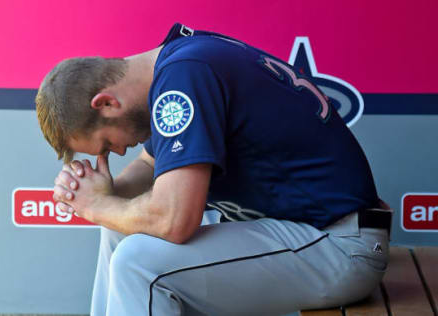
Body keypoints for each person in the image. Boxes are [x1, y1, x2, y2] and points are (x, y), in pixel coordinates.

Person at [35, 23, 392, 316]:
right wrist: (103, 193)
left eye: (105, 144)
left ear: (107, 103)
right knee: (120, 231)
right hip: (303, 235)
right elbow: (153, 163)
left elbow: (175, 220)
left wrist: (98, 207)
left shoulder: (185, 75)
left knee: (138, 262)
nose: (115, 152)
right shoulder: (179, 63)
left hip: (340, 246)